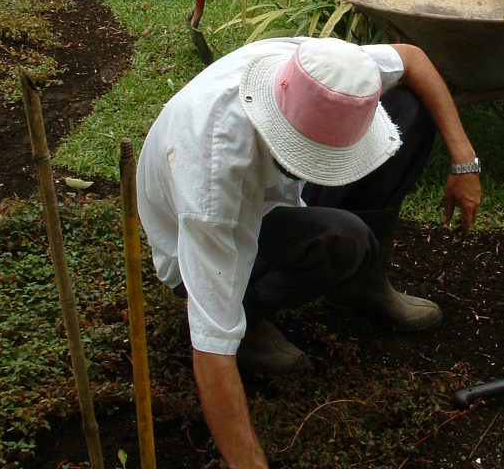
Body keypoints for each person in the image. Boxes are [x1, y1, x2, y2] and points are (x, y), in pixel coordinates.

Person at [136, 36, 481, 468]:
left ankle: (362, 285)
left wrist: (463, 159)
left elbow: (413, 58)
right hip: (209, 235)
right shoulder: (211, 180)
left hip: (280, 193)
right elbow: (209, 346)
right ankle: (250, 315)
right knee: (342, 237)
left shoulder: (329, 73)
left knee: (410, 108)